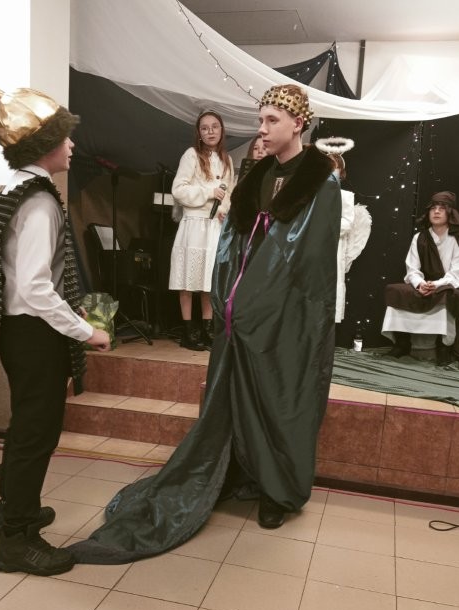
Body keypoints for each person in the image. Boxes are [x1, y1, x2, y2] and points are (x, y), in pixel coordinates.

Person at [67, 83, 341, 565]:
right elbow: (234, 245)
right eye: (260, 120)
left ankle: (278, 490)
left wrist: (257, 300)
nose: (261, 130)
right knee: (239, 397)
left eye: (272, 121)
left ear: (299, 123)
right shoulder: (255, 177)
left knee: (279, 399)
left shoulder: (321, 183)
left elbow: (306, 259)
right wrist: (229, 298)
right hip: (243, 314)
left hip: (288, 318)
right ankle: (241, 469)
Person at [0, 84, 111, 576]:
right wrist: (84, 331)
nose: (72, 144)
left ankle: (10, 512)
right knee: (37, 433)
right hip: (34, 333)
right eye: (64, 137)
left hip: (19, 332)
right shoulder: (38, 203)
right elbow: (36, 287)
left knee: (26, 428)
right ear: (43, 146)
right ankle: (16, 540)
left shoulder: (17, 188)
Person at [382, 191, 459, 366]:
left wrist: (436, 285)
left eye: (441, 208)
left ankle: (443, 348)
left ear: (450, 213)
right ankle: (402, 344)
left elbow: (458, 274)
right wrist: (420, 284)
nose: (436, 212)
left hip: (449, 285)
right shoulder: (420, 237)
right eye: (433, 208)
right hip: (424, 284)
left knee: (450, 295)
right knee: (395, 290)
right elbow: (412, 268)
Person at [169, 110, 234, 351]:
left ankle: (207, 330)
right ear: (199, 133)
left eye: (214, 127)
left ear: (221, 130)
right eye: (205, 128)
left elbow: (229, 194)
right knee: (188, 278)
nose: (210, 132)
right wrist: (208, 192)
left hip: (214, 227)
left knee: (208, 279)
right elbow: (178, 190)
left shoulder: (227, 159)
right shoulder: (191, 155)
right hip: (194, 225)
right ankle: (189, 331)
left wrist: (224, 210)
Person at [315, 137, 372, 323]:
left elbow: (346, 223)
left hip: (333, 246)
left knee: (330, 281)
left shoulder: (345, 196)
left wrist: (323, 226)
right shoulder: (312, 194)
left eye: (335, 168)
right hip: (312, 243)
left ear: (341, 172)